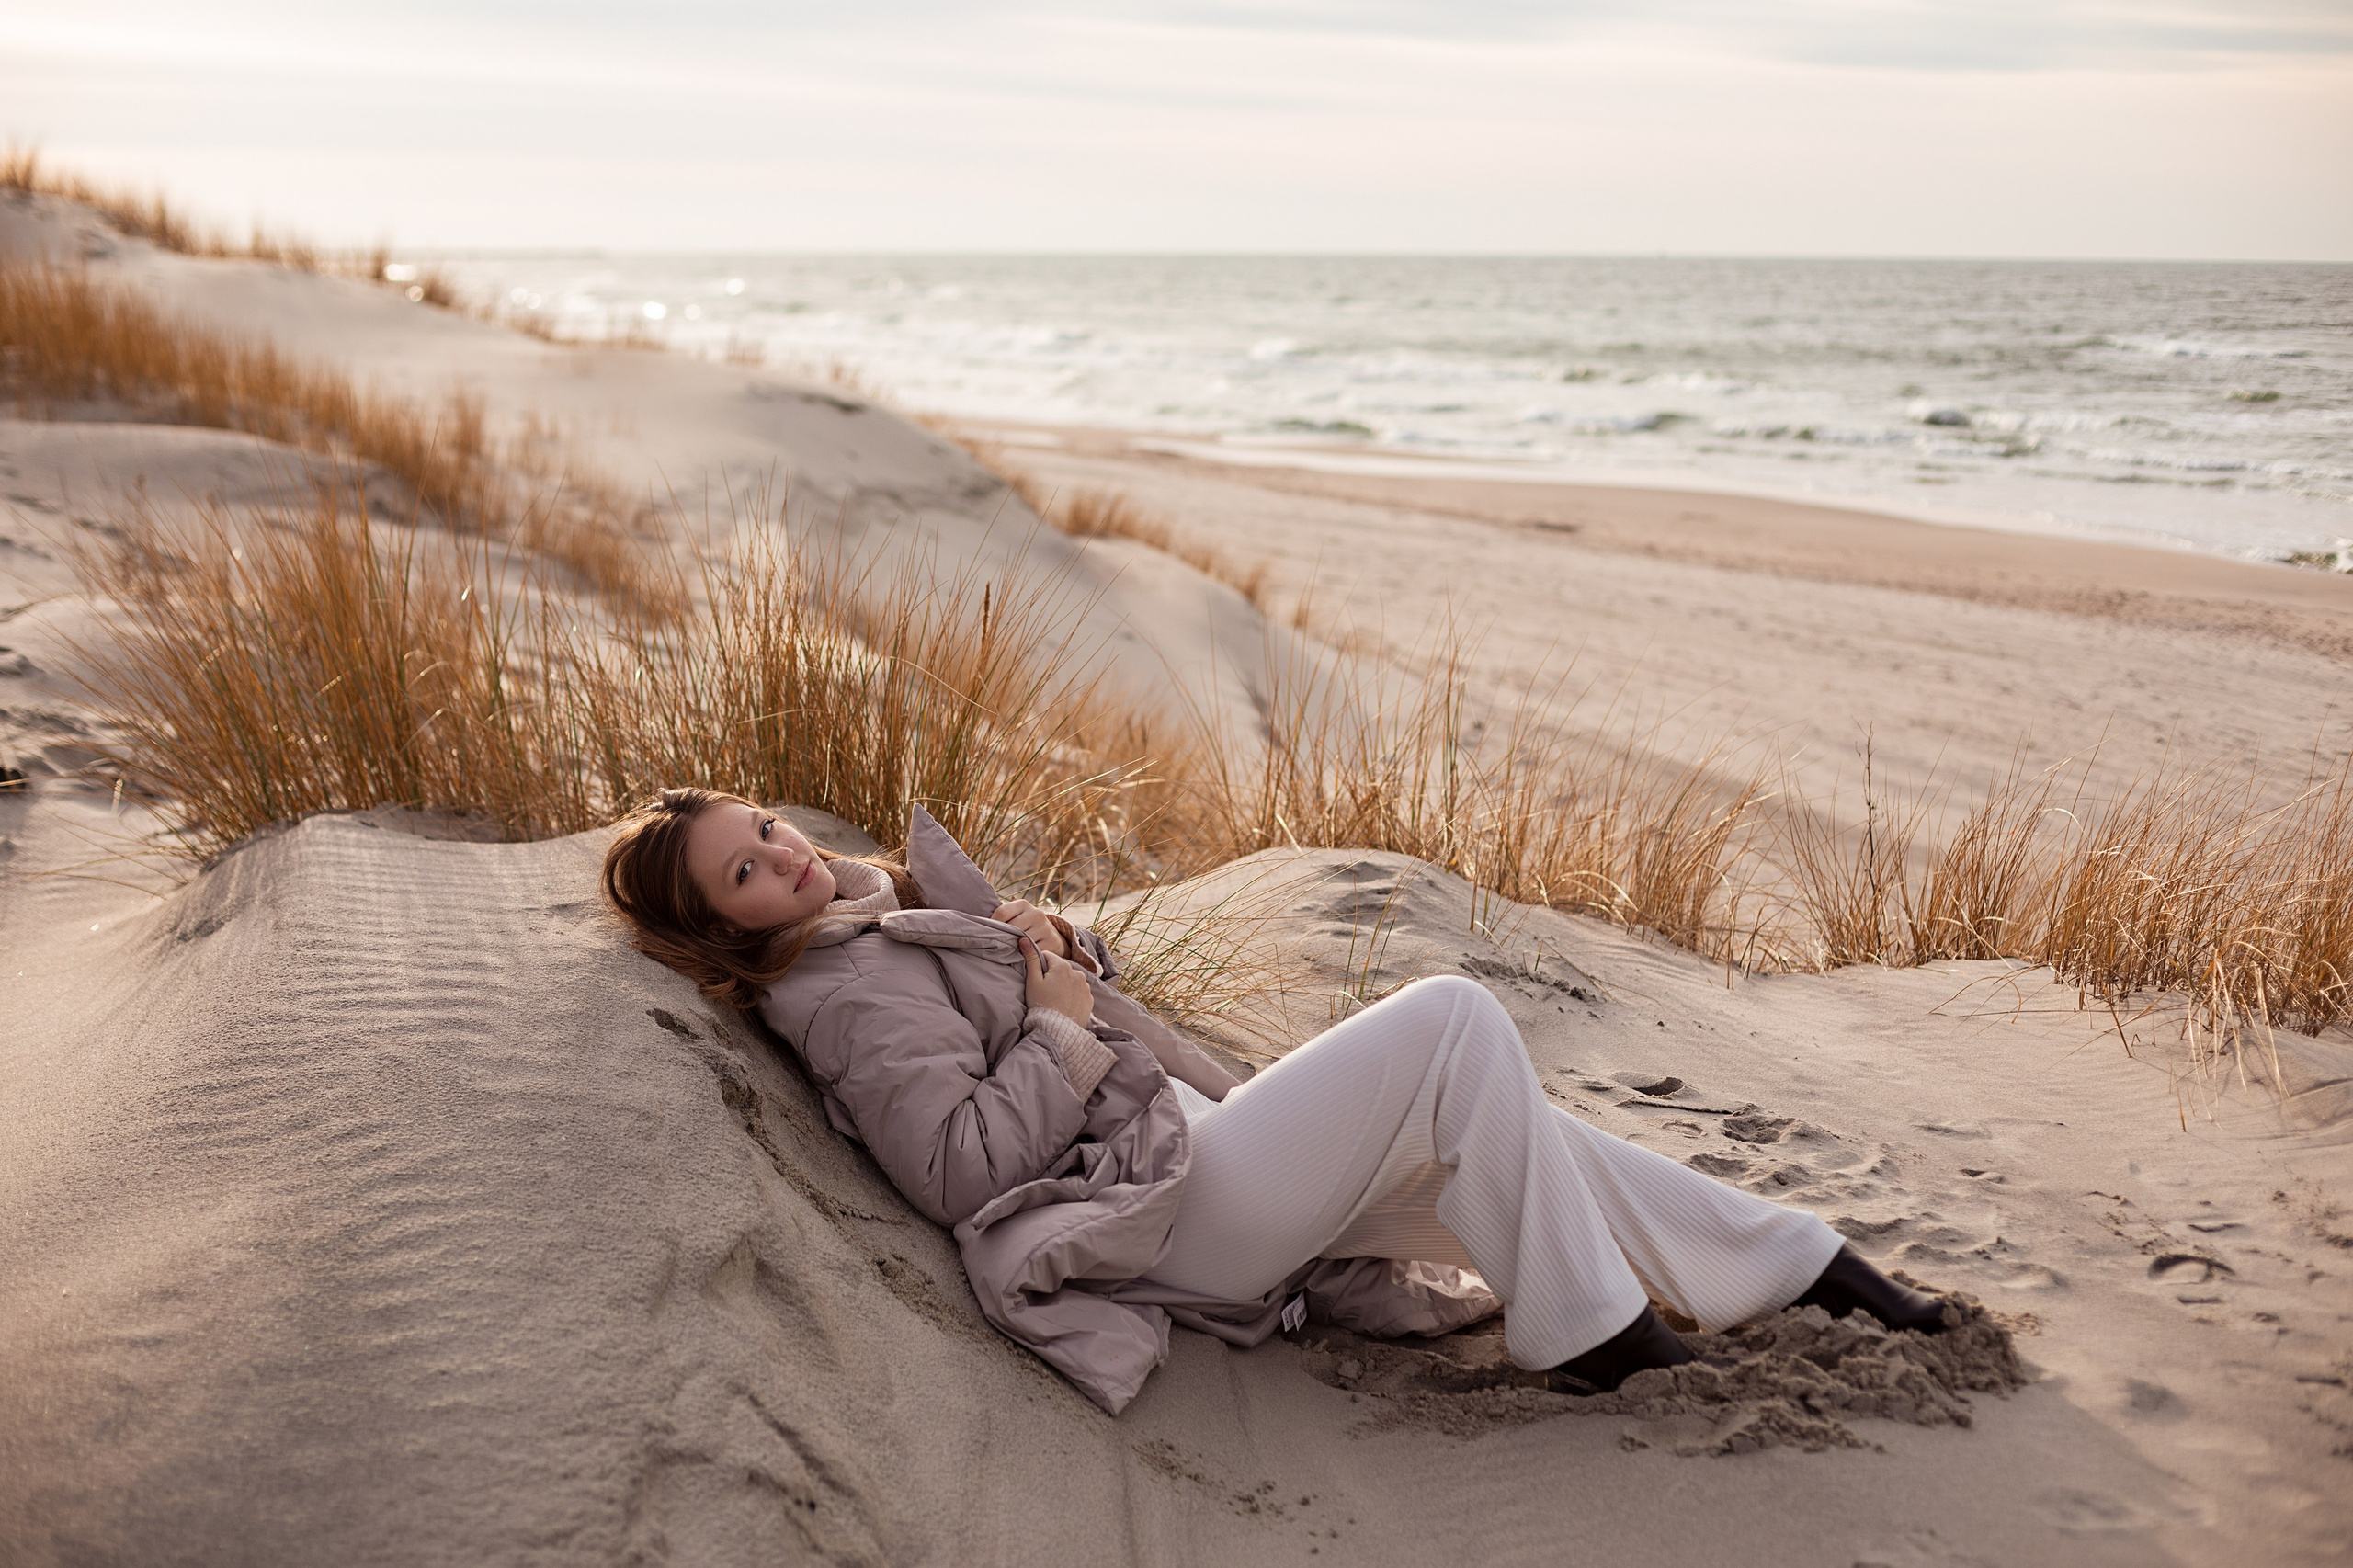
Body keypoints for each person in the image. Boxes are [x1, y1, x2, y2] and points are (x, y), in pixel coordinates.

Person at [602, 789, 1948, 1415]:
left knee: (1510, 1132)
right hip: (1166, 1211)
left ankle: (1796, 1264)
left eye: (761, 828)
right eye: (742, 875)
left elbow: (1071, 1011)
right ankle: (1587, 1332)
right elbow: (958, 1169)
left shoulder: (884, 910)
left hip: (1190, 1152)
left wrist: (1062, 954)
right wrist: (1057, 1025)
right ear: (722, 928)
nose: (778, 857)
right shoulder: (835, 992)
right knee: (1451, 1019)